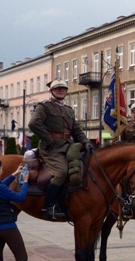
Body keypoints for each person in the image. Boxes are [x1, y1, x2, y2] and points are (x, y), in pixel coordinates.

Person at [28, 79, 92, 219]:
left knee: (82, 169)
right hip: (51, 148)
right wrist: (47, 139)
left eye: (63, 88)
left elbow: (76, 130)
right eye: (57, 88)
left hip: (67, 146)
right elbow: (33, 123)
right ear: (51, 91)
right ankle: (49, 207)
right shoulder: (44, 106)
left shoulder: (68, 110)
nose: (61, 90)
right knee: (61, 173)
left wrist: (86, 142)